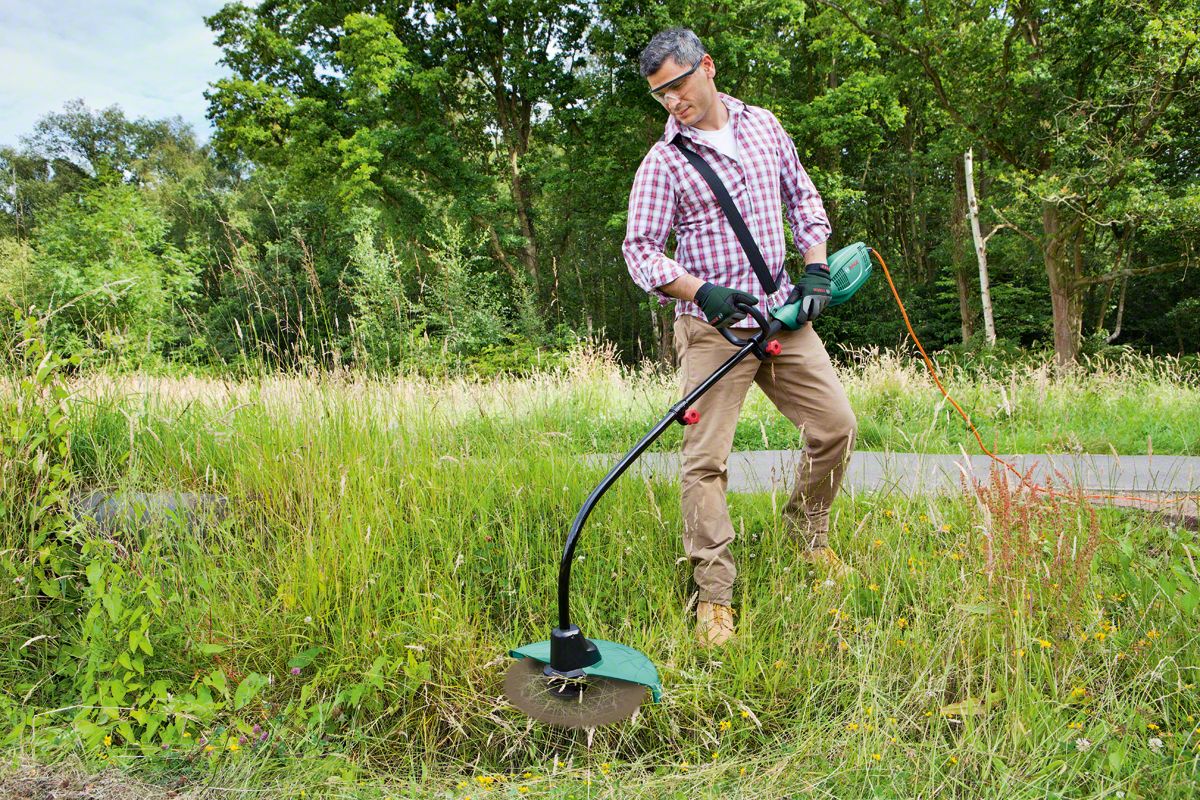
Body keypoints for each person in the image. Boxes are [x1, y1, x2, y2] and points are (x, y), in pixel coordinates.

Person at [622, 28, 857, 648]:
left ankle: (807, 540)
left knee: (834, 426)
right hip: (714, 330)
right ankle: (715, 598)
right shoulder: (664, 162)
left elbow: (803, 198)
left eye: (677, 84)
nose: (672, 101)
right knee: (705, 463)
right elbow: (640, 250)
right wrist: (700, 292)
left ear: (707, 68)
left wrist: (815, 267)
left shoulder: (764, 127)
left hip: (784, 315)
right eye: (659, 94)